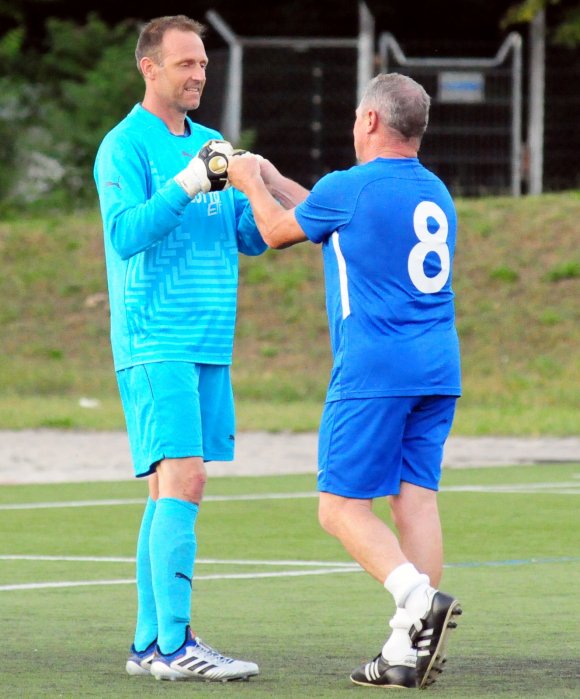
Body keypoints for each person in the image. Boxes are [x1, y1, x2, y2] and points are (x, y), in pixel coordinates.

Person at [227, 72, 462, 690]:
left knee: (337, 508)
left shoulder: (350, 186)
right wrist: (276, 180)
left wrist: (251, 183)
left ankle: (417, 601)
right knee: (416, 501)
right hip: (438, 366)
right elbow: (334, 223)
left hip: (375, 367)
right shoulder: (433, 190)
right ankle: (404, 652)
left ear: (371, 122)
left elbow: (281, 233)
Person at [93, 15, 267, 682]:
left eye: (202, 63)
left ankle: (147, 644)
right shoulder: (124, 146)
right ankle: (175, 645)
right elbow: (125, 234)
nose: (198, 74)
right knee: (186, 478)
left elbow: (243, 235)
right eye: (185, 63)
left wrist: (269, 197)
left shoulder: (213, 145)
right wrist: (188, 183)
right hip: (153, 336)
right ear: (150, 68)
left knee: (169, 484)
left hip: (207, 340)